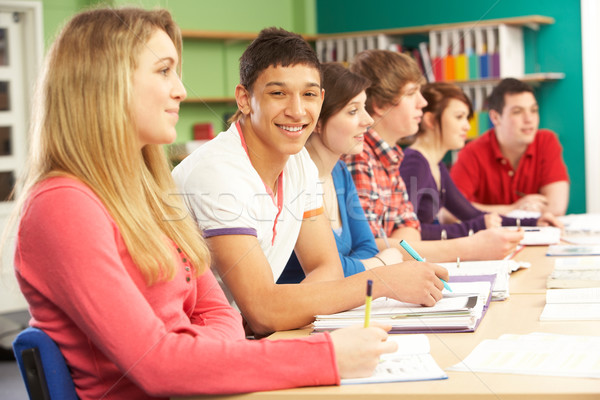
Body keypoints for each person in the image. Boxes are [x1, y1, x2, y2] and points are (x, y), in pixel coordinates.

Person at [10, 8, 400, 399]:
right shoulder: (63, 207)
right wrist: (327, 356)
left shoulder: (148, 194)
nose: (180, 89)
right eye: (164, 71)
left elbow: (218, 313)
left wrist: (193, 353)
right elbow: (160, 365)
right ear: (104, 83)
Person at [173, 28, 448, 337]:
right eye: (278, 93)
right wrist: (382, 282)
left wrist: (278, 310)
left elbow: (325, 268)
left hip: (242, 336)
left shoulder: (299, 163)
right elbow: (264, 311)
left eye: (309, 94)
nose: (297, 110)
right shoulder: (218, 172)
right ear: (244, 99)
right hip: (196, 347)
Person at [343, 50, 524, 261]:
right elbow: (369, 247)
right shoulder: (359, 156)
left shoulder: (393, 157)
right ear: (381, 104)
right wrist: (469, 248)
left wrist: (396, 247)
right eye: (411, 94)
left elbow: (410, 232)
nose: (422, 102)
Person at [279, 62, 403, 284]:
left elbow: (367, 246)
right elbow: (331, 269)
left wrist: (360, 266)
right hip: (301, 313)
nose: (368, 120)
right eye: (353, 111)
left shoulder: (340, 172)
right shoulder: (292, 178)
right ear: (317, 121)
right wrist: (383, 263)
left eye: (364, 108)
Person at [400, 82, 562, 240]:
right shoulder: (416, 164)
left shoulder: (436, 164)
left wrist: (534, 222)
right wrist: (475, 227)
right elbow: (406, 233)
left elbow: (471, 214)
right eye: (459, 117)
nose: (467, 127)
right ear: (431, 121)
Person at [450, 78, 570, 216]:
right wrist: (514, 209)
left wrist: (479, 210)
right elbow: (449, 213)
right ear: (495, 118)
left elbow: (556, 207)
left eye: (534, 110)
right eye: (517, 112)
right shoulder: (472, 152)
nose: (529, 119)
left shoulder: (546, 141)